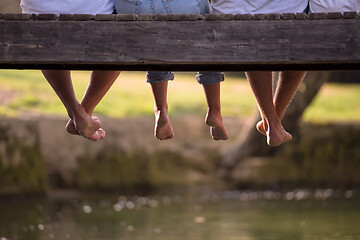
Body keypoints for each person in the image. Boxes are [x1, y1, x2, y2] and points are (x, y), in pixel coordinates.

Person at [115, 0, 228, 141]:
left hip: (132, 6)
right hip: (177, 4)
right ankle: (214, 110)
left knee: (154, 39)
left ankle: (161, 109)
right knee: (208, 34)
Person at [20, 0, 121, 141]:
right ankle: (84, 111)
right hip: (97, 15)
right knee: (122, 38)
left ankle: (76, 111)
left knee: (46, 32)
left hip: (38, 16)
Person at [212, 0, 308, 146]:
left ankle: (272, 123)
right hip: (290, 13)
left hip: (230, 13)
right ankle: (272, 122)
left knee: (251, 22)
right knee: (304, 41)